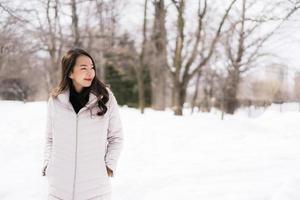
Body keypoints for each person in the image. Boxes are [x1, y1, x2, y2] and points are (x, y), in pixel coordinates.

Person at [42, 48, 124, 200]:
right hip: (59, 187)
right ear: (69, 72)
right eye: (83, 68)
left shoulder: (105, 98)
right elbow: (50, 138)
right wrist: (48, 165)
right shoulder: (55, 101)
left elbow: (116, 137)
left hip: (95, 188)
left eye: (92, 67)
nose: (90, 72)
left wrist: (108, 166)